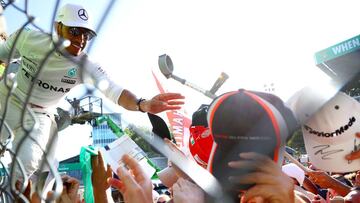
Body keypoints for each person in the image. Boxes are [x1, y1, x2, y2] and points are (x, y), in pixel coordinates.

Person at [0, 3, 184, 184]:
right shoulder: (28, 38)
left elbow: (115, 91)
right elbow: (2, 53)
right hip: (8, 97)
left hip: (39, 114)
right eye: (74, 31)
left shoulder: (86, 65)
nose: (81, 39)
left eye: (86, 35)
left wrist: (142, 104)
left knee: (27, 163)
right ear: (58, 27)